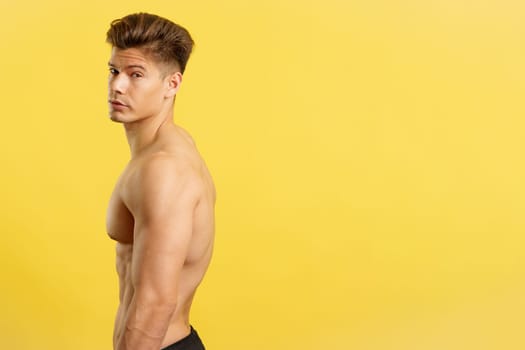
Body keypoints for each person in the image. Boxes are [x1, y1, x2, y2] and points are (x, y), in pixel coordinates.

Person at [105, 13, 215, 350]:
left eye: (136, 75)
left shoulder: (164, 170)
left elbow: (155, 304)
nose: (118, 85)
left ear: (172, 84)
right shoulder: (165, 148)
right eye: (114, 71)